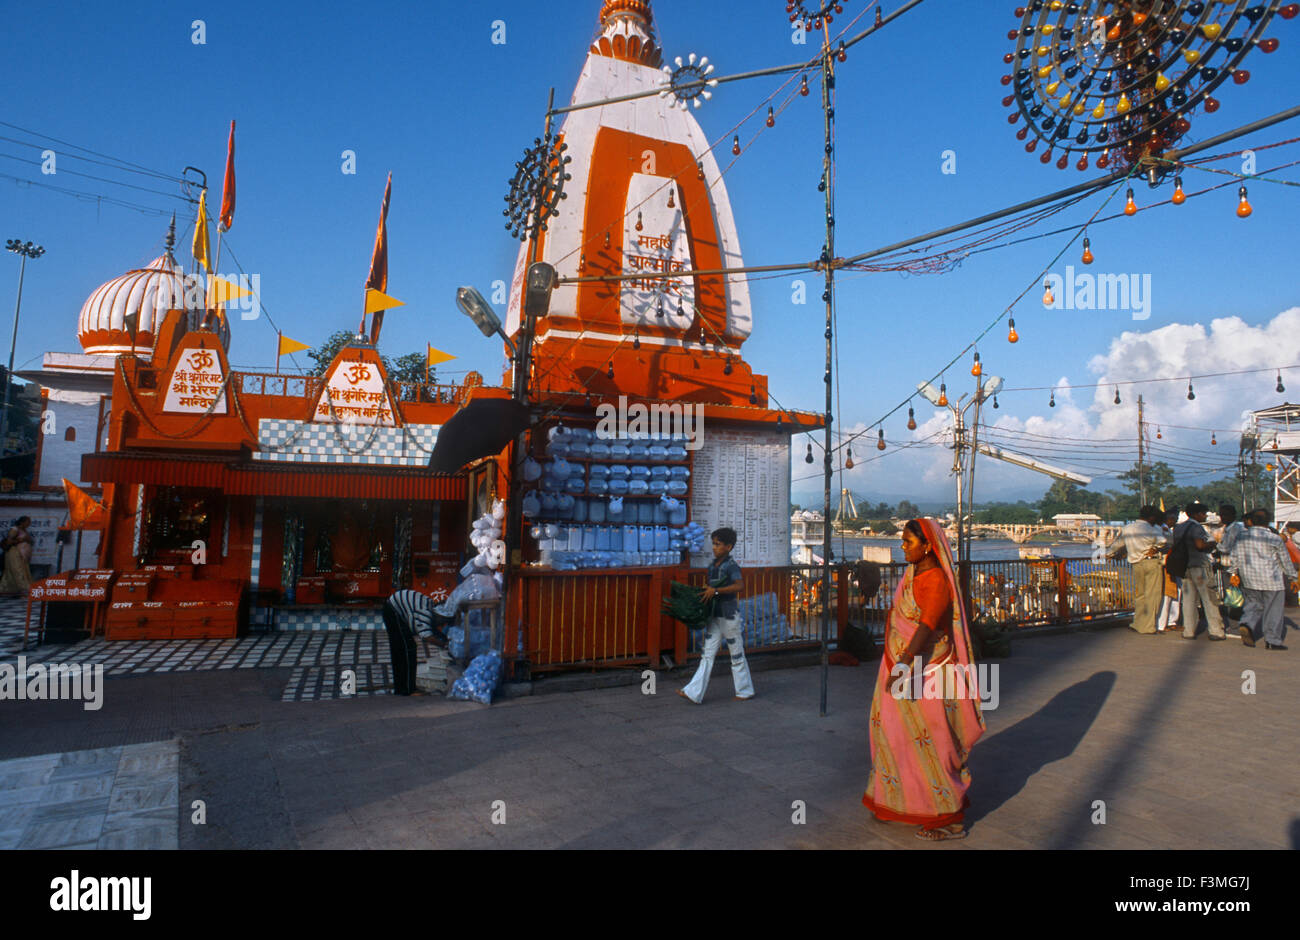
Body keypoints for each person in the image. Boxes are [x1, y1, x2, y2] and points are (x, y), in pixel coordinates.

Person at [862, 518, 984, 841]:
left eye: (908, 543)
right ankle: (896, 799)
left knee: (934, 743)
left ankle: (950, 818)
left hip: (927, 671)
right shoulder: (912, 574)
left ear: (927, 545)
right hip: (902, 667)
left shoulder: (936, 581)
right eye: (902, 541)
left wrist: (903, 665)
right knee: (891, 731)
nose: (902, 547)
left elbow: (927, 627)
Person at [679, 527, 754, 703]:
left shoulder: (731, 566)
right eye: (713, 543)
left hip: (729, 617)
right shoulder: (712, 566)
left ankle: (745, 691)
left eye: (718, 544)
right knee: (707, 655)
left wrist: (716, 591)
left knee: (736, 654)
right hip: (715, 617)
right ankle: (693, 692)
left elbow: (739, 586)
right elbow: (711, 589)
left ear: (728, 547)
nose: (714, 547)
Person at [1226, 509, 1299, 650]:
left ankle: (1247, 624)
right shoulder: (1274, 538)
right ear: (1268, 522)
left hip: (1249, 578)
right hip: (1273, 580)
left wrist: (1233, 573)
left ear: (1251, 521)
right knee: (1273, 610)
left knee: (1253, 605)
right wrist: (1293, 577)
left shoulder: (1242, 536)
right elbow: (1285, 560)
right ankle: (1272, 640)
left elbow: (1235, 556)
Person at [1173, 501, 1225, 640]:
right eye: (1203, 514)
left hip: (1185, 566)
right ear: (1197, 514)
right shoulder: (1196, 528)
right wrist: (1213, 542)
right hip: (1200, 566)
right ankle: (1216, 631)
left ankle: (1188, 630)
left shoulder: (1178, 528)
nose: (1205, 517)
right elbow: (1200, 545)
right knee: (1209, 599)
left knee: (1189, 601)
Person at [1110, 506, 1167, 635]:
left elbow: (1117, 544)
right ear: (1151, 517)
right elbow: (1163, 541)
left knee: (1140, 595)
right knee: (1152, 595)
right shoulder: (1151, 528)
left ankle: (1137, 623)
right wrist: (1155, 547)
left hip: (1136, 563)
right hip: (1151, 562)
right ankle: (1148, 626)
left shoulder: (1128, 528)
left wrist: (1110, 554)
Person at [382, 589, 450, 696]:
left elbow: (433, 630)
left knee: (402, 649)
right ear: (438, 615)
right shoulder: (426, 613)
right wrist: (445, 645)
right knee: (407, 649)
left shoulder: (431, 609)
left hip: (395, 608)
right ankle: (408, 690)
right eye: (443, 621)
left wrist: (445, 638)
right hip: (393, 611)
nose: (442, 624)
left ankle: (402, 687)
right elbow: (427, 636)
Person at [0, 516, 35, 595]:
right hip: (14, 553)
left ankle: (20, 588)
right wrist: (21, 540)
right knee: (17, 570)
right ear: (22, 522)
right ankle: (23, 588)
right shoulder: (15, 529)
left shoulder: (24, 530)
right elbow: (9, 542)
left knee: (23, 570)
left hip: (21, 554)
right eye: (28, 522)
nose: (29, 524)